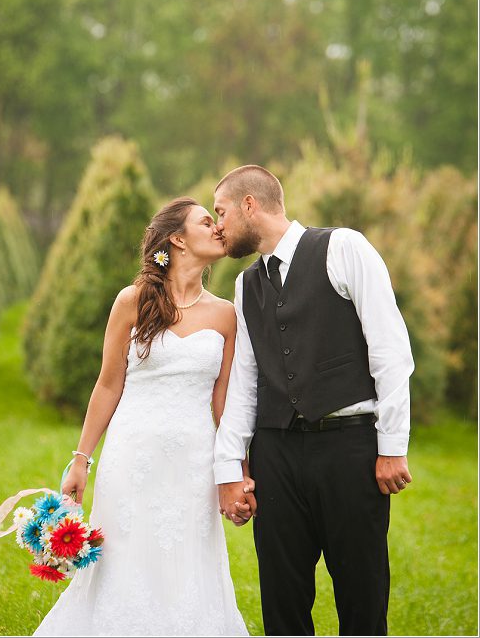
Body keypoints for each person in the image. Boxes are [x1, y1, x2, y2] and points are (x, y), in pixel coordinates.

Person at [212, 164, 413, 636]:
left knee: (361, 595)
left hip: (349, 448)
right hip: (275, 452)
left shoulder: (343, 247)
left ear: (249, 204)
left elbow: (390, 351)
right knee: (282, 599)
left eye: (220, 212)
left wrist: (392, 445)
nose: (217, 226)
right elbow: (244, 385)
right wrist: (228, 470)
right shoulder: (245, 286)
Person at [34, 198, 250, 637]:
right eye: (206, 222)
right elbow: (108, 384)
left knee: (188, 563)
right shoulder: (132, 301)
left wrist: (237, 474)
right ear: (178, 239)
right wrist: (81, 458)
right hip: (132, 458)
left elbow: (224, 404)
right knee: (126, 562)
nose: (218, 228)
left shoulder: (227, 314)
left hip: (194, 462)